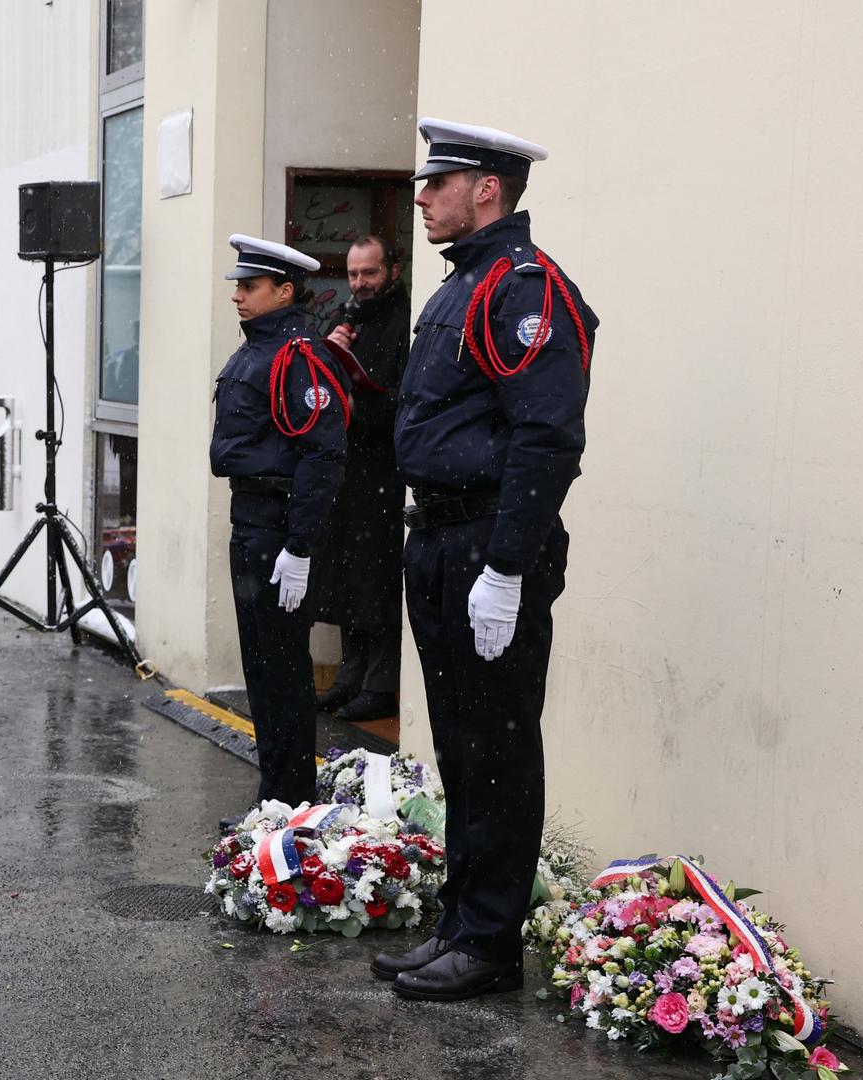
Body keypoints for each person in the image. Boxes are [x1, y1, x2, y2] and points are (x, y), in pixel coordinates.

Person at [370, 118, 599, 1004]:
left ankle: (491, 939)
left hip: (488, 540)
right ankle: (464, 921)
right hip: (439, 537)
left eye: (438, 183)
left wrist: (506, 568)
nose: (422, 197)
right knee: (464, 748)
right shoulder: (463, 286)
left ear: (487, 191)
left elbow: (546, 439)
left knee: (498, 746)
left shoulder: (523, 290)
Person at [209, 235, 350, 826]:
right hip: (251, 520)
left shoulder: (300, 356)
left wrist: (299, 547)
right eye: (238, 286)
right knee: (262, 668)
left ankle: (291, 805)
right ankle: (273, 797)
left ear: (284, 291)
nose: (238, 296)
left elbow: (323, 456)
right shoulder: (258, 349)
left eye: (250, 286)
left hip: (277, 525)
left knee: (285, 671)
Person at [309, 236, 411, 723]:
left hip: (385, 472)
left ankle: (380, 684)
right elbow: (316, 386)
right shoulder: (346, 318)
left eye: (369, 273)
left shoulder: (404, 320)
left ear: (393, 269)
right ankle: (349, 676)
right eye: (352, 274)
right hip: (347, 473)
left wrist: (359, 405)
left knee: (378, 581)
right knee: (346, 578)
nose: (360, 283)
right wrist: (329, 354)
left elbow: (406, 400)